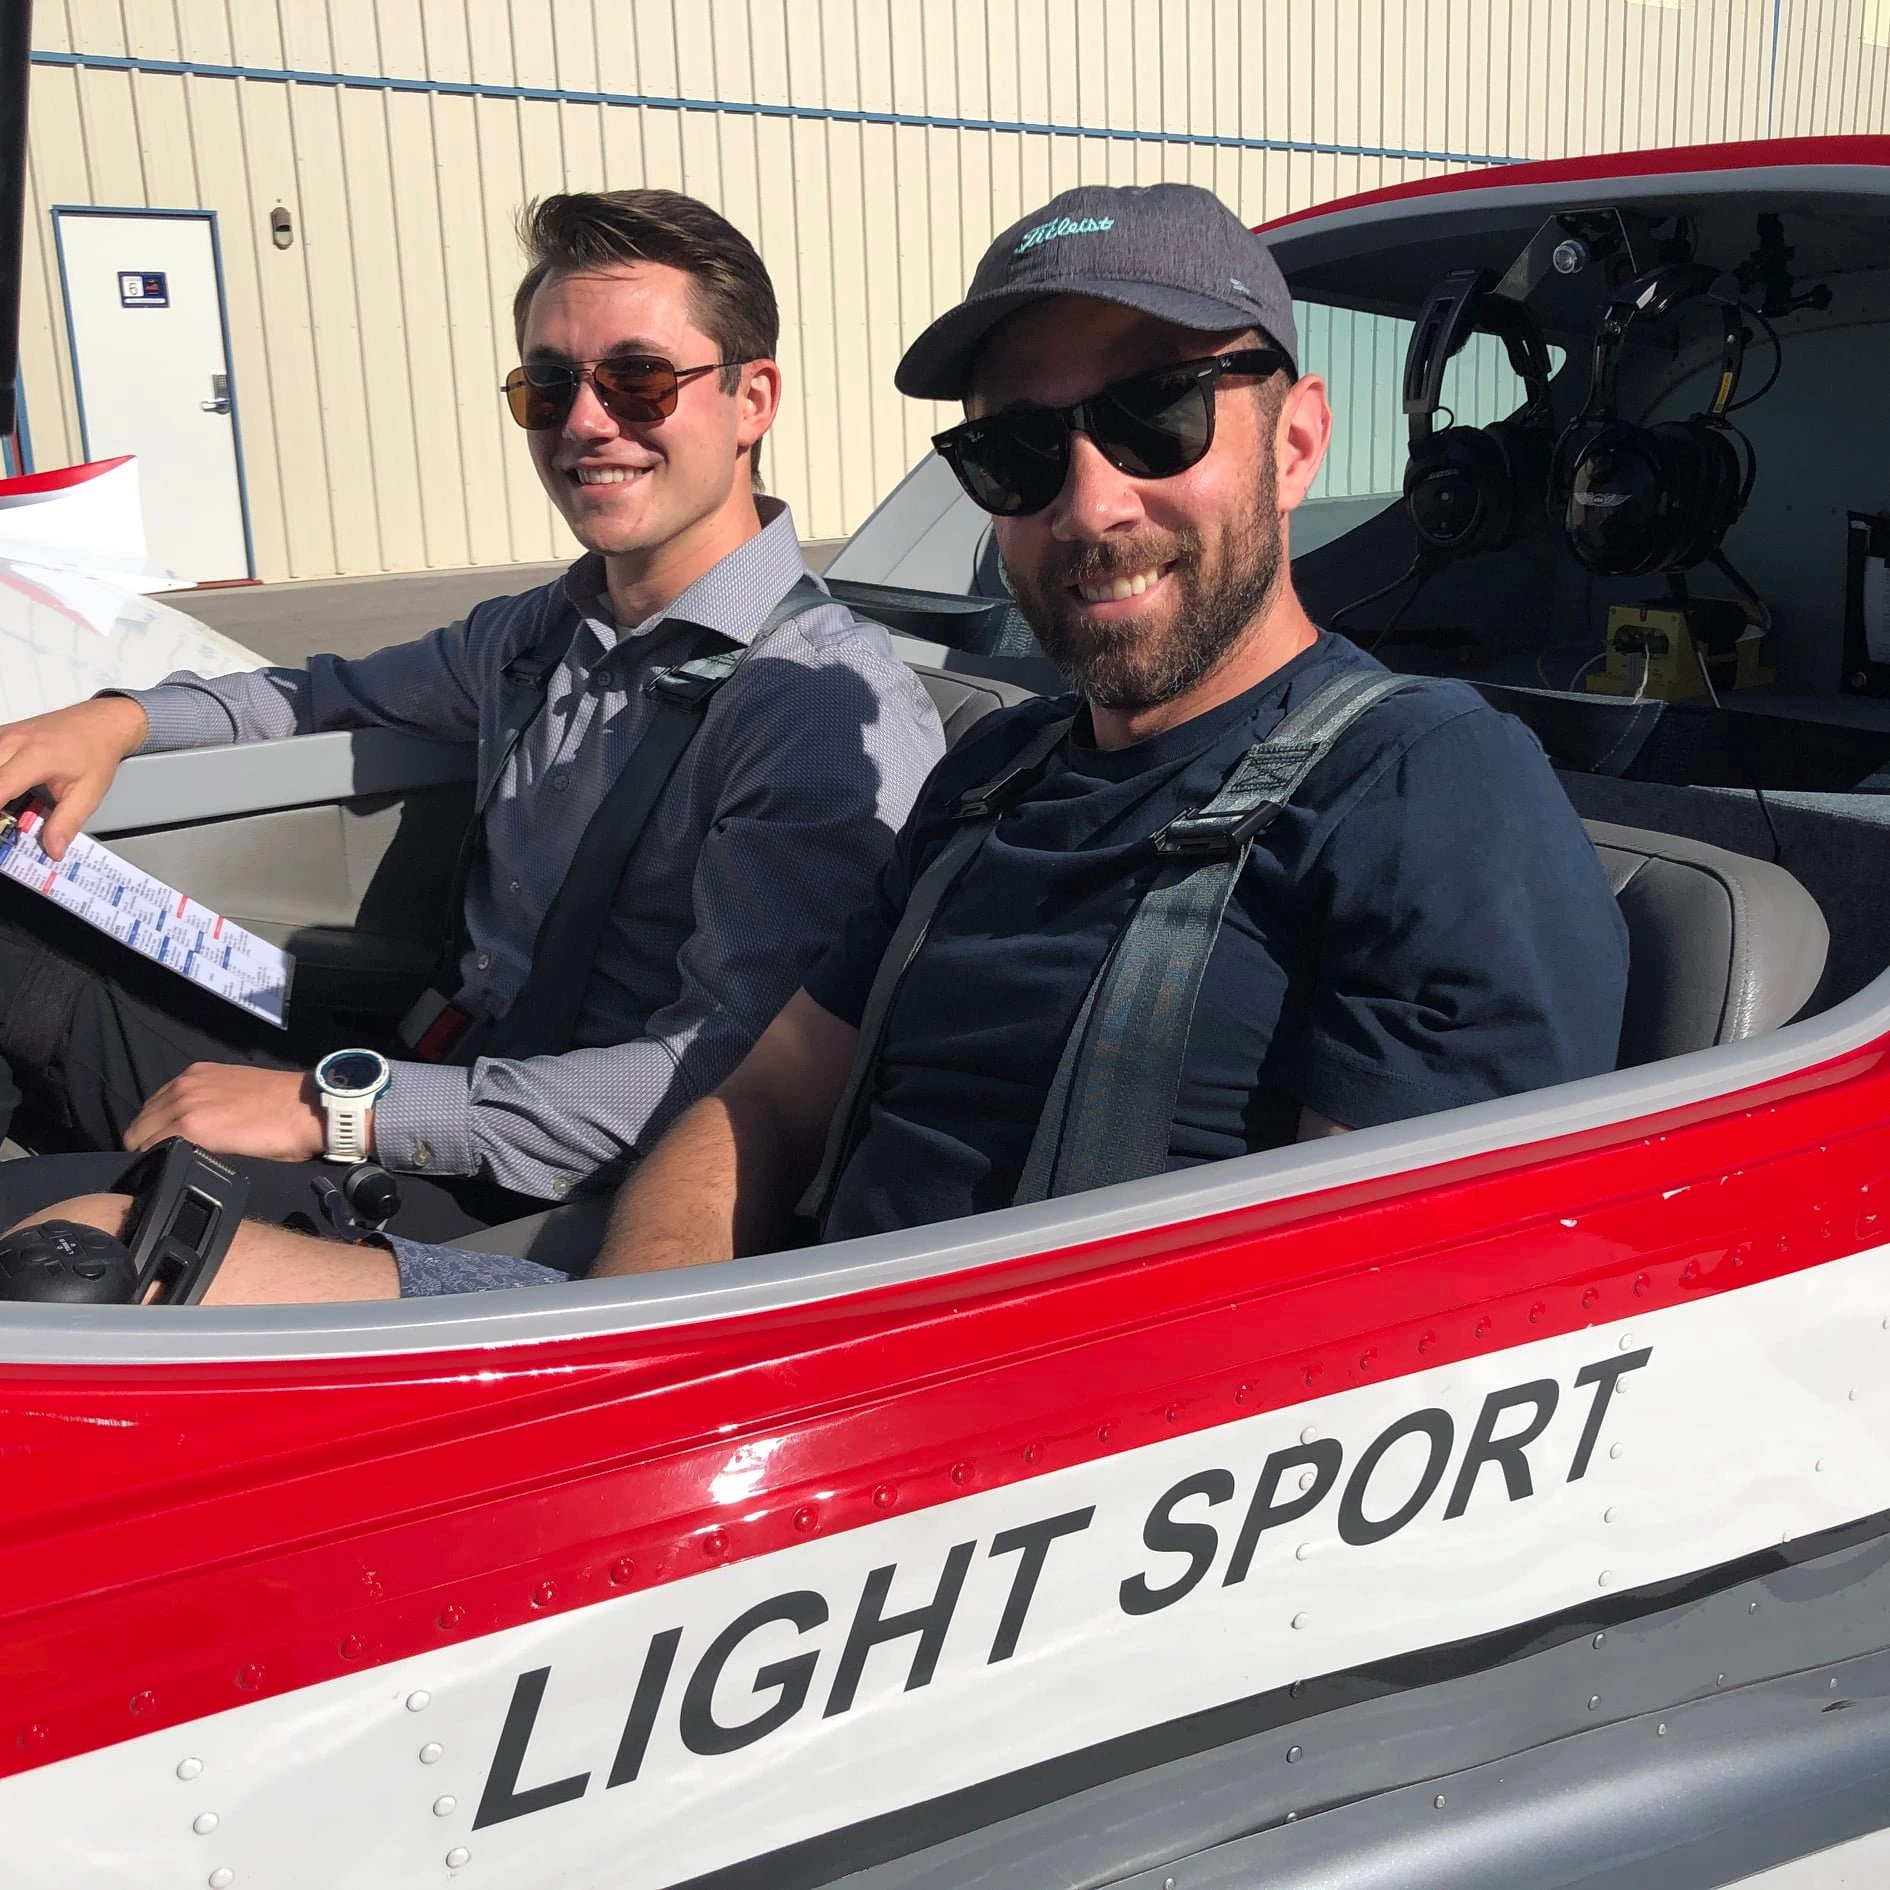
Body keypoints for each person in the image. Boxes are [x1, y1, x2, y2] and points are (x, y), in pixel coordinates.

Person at [8, 181, 1629, 1302]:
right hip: (735, 1340)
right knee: (76, 1254)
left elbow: (1388, 1352)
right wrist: (638, 1353)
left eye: (1157, 415)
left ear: (1299, 439)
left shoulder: (1428, 787)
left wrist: (350, 1115)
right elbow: (758, 1104)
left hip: (978, 1478)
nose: (1089, 500)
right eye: (1015, 452)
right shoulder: (992, 777)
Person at [0, 188, 943, 1246]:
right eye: (550, 385)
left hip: (552, 1188)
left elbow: (726, 1087)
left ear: (752, 398)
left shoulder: (812, 710)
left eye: (638, 379)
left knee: (36, 1234)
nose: (586, 423)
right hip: (419, 1076)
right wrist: (115, 719)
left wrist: (340, 1110)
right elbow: (321, 694)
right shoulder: (539, 635)